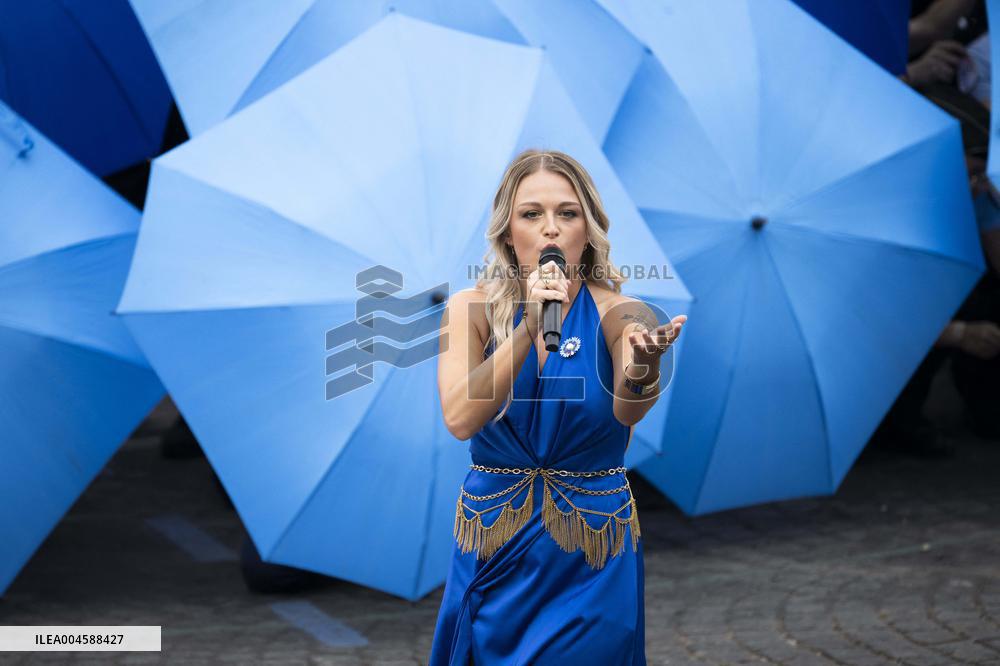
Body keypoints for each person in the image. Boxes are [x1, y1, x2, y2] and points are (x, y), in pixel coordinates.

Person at [429, 149, 687, 665]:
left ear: (587, 229)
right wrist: (527, 326)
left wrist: (643, 368)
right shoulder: (469, 310)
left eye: (567, 213)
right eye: (532, 214)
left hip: (588, 557)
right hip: (495, 553)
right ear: (507, 232)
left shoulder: (620, 312)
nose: (551, 229)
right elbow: (460, 418)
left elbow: (629, 414)